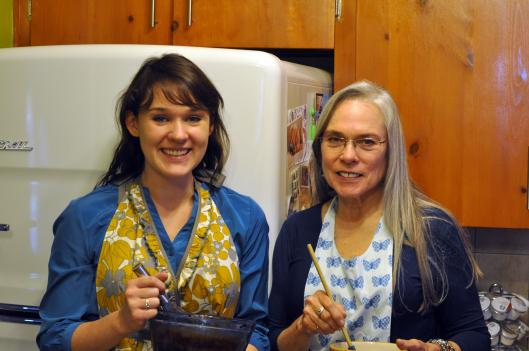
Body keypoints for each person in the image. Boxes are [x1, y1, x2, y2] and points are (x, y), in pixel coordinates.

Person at [37, 53, 270, 351]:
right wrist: (120, 321)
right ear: (134, 124)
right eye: (160, 118)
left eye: (193, 118)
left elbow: (257, 333)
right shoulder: (85, 217)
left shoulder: (245, 217)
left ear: (210, 126)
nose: (178, 134)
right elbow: (56, 339)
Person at [267, 80, 489, 351]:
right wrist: (303, 327)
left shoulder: (431, 229)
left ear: (390, 152)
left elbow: (474, 336)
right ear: (320, 148)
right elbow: (275, 339)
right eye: (335, 139)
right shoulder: (297, 230)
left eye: (367, 142)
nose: (348, 155)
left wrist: (439, 349)